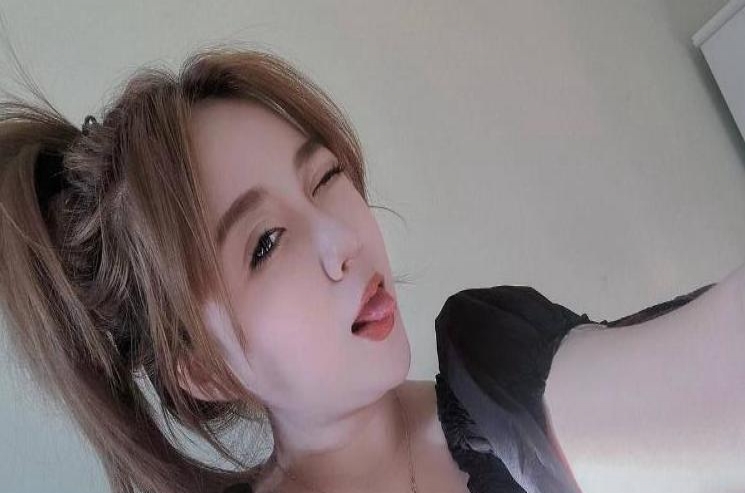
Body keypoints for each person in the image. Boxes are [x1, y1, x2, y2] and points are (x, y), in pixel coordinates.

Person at [1, 44, 742, 493]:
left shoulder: (498, 384)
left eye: (324, 177)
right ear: (201, 370)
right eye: (266, 242)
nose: (341, 238)